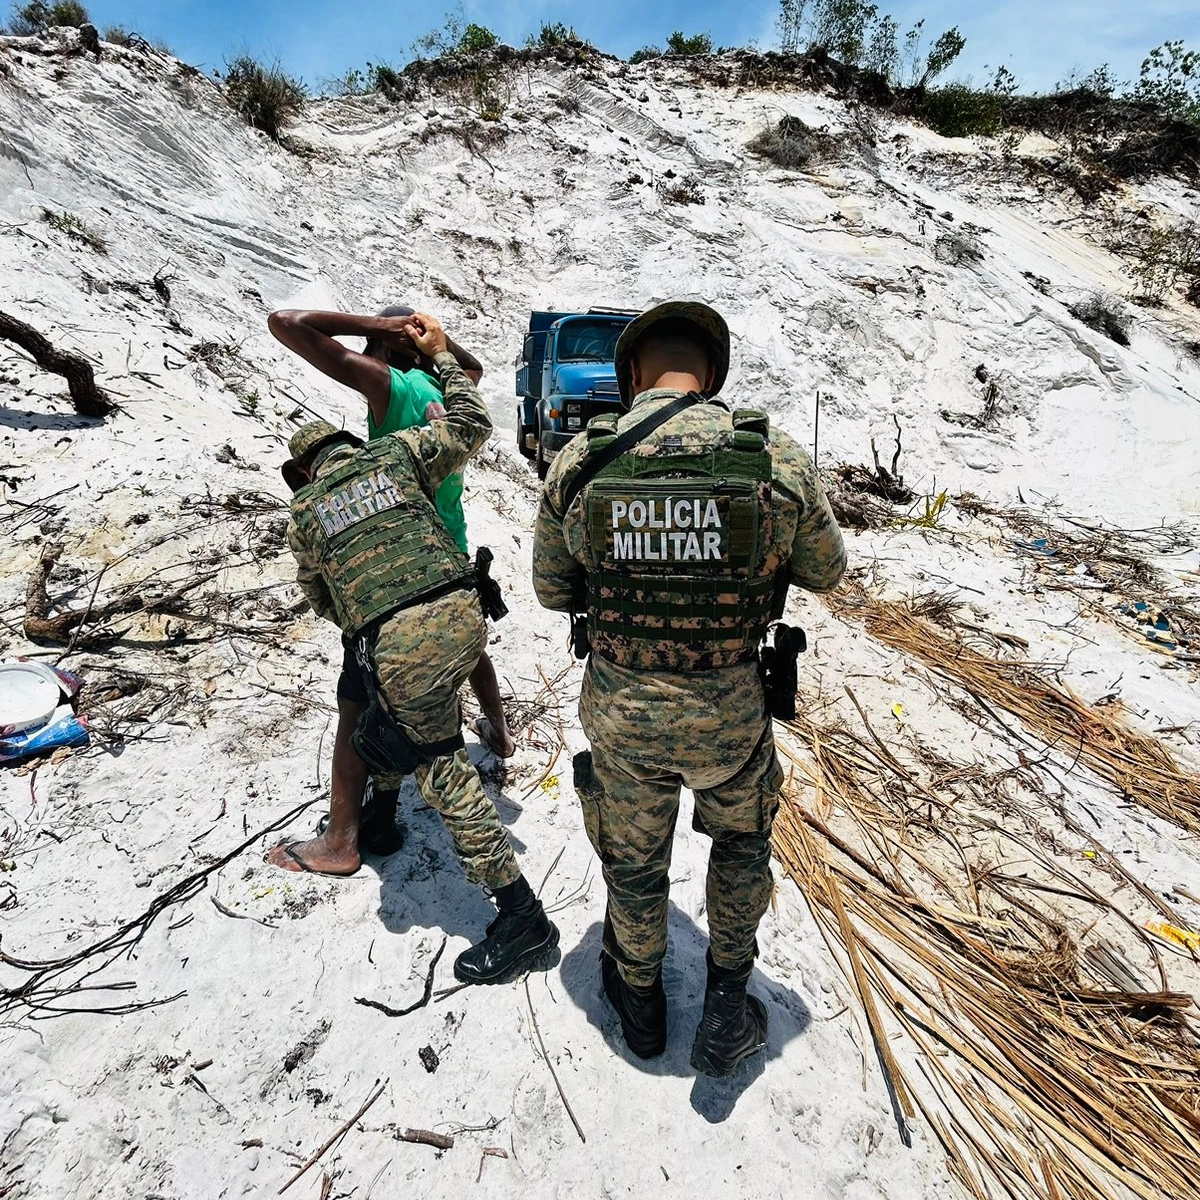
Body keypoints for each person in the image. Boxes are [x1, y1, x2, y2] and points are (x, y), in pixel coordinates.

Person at [532, 301, 846, 1076]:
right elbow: (827, 571)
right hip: (730, 715)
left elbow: (548, 588)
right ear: (712, 372)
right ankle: (724, 1009)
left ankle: (639, 1008)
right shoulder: (770, 457)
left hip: (624, 716)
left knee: (635, 867)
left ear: (631, 373)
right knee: (741, 846)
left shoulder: (582, 461)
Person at [272, 311, 558, 985]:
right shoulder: (398, 450)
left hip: (401, 639)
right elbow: (475, 423)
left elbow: (323, 600)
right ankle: (378, 819)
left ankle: (522, 917)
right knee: (394, 704)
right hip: (462, 607)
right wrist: (446, 356)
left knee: (437, 759)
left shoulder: (307, 513)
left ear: (306, 471)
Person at [268, 303, 515, 871]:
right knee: (464, 639)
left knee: (358, 696)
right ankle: (498, 733)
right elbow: (471, 373)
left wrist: (381, 330)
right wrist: (439, 347)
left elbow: (286, 323)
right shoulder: (441, 385)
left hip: (393, 554)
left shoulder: (389, 383)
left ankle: (343, 838)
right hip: (446, 539)